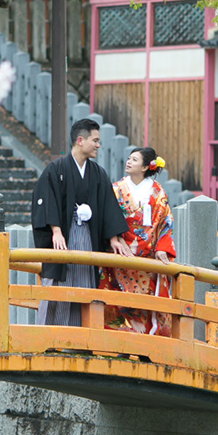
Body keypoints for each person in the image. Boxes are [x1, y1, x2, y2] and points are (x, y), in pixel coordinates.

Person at [32, 118, 131, 326]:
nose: (98, 145)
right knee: (59, 283)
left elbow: (107, 205)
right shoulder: (55, 169)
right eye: (95, 140)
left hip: (87, 236)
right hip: (63, 237)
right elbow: (46, 199)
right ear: (80, 140)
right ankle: (51, 336)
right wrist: (56, 231)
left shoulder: (97, 173)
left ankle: (81, 340)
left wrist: (113, 237)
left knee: (85, 282)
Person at [99, 146, 177, 335]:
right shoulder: (116, 189)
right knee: (118, 295)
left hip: (148, 255)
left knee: (148, 297)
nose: (128, 162)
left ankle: (148, 341)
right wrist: (115, 238)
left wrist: (161, 248)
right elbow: (107, 216)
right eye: (128, 158)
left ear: (145, 167)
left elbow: (165, 222)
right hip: (121, 250)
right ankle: (122, 339)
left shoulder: (157, 192)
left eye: (134, 160)